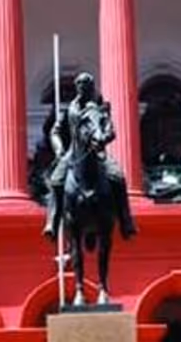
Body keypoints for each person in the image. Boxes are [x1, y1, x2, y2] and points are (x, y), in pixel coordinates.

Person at [43, 72, 138, 240]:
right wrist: (59, 150)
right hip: (73, 153)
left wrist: (103, 139)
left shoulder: (101, 108)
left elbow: (111, 131)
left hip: (98, 153)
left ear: (91, 87)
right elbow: (55, 132)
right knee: (56, 180)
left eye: (86, 84)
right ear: (77, 87)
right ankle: (52, 220)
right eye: (80, 84)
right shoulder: (69, 110)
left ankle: (126, 220)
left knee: (118, 176)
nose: (83, 87)